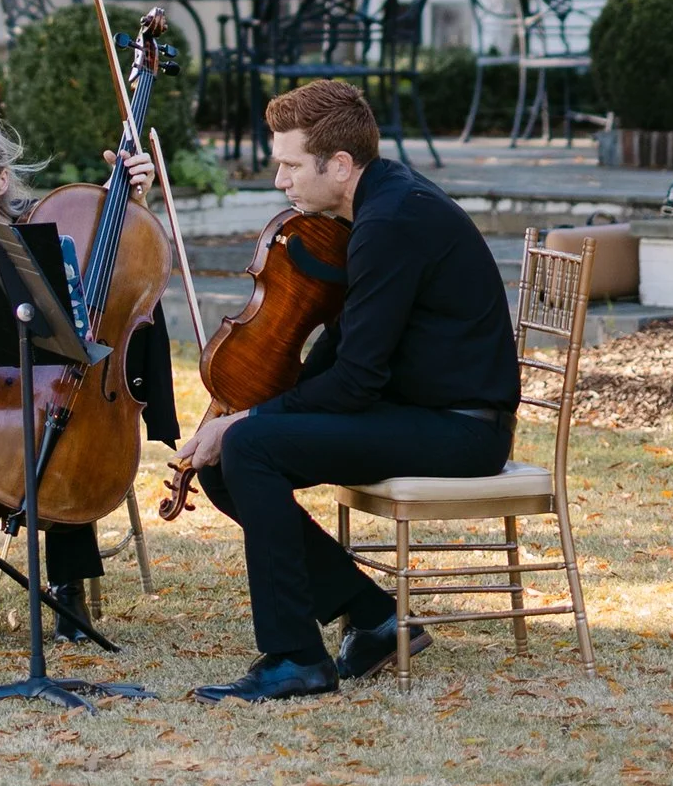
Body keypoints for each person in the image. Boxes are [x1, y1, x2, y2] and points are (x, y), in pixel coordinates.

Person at [175, 75, 520, 703]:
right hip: (419, 410)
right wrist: (251, 412)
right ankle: (373, 616)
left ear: (339, 164)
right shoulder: (371, 207)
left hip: (460, 429)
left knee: (249, 448)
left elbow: (358, 378)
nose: (280, 181)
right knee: (230, 460)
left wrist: (251, 420)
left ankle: (295, 659)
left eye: (289, 166)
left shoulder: (392, 221)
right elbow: (343, 345)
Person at [0, 100, 176, 643]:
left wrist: (129, 201)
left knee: (66, 409)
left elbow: (113, 286)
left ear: (3, 179)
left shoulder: (49, 223)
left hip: (55, 376)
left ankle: (69, 588)